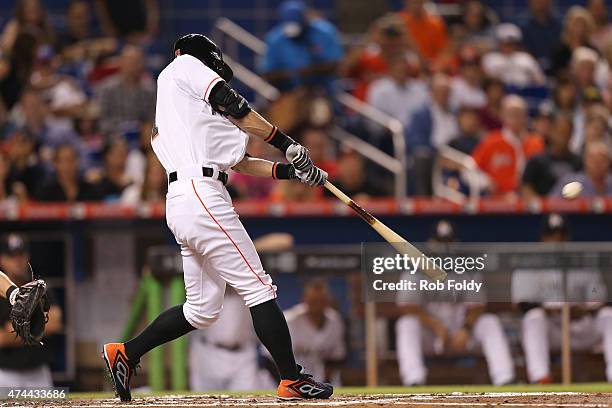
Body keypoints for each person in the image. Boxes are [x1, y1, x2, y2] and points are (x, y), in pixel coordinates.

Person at [102, 34, 332, 402]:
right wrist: (287, 142)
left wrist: (293, 172)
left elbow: (239, 162)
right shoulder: (183, 65)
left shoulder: (184, 115)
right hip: (201, 194)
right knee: (259, 287)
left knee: (202, 309)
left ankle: (126, 354)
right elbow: (234, 105)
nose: (215, 74)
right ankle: (291, 378)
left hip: (185, 199)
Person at [395, 220, 515, 386]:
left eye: (448, 242)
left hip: (463, 333)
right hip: (430, 333)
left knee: (489, 322)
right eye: (440, 242)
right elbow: (407, 306)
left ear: (456, 244)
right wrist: (435, 325)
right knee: (406, 324)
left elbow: (477, 306)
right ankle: (413, 380)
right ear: (430, 244)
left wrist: (466, 328)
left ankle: (505, 379)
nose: (445, 247)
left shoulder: (468, 268)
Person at [512, 214, 612, 383]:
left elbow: (598, 299)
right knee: (534, 318)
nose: (557, 240)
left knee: (609, 315)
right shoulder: (529, 263)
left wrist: (583, 310)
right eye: (552, 235)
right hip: (552, 329)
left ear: (568, 237)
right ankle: (541, 378)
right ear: (543, 237)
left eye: (561, 235)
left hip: (581, 326)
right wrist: (551, 311)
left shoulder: (583, 263)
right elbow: (524, 304)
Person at [0, 234, 62, 387]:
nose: (18, 261)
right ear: (2, 259)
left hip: (38, 372)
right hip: (6, 373)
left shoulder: (38, 285)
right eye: (12, 256)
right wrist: (33, 327)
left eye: (21, 255)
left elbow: (55, 322)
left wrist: (14, 330)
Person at [260, 0, 343, 93]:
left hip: (322, 89)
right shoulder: (275, 39)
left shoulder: (323, 33)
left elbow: (336, 63)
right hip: (288, 92)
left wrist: (311, 70)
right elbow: (267, 73)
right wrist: (291, 74)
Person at [472, 95, 544, 198]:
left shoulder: (537, 143)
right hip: (497, 202)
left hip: (529, 201)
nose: (515, 118)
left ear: (525, 116)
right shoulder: (491, 141)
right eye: (510, 114)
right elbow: (470, 168)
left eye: (518, 114)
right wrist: (485, 182)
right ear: (502, 115)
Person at [189, 289, 260, 391]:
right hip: (209, 352)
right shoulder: (208, 283)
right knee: (205, 401)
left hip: (244, 354)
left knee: (246, 401)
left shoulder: (251, 283)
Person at [284, 279, 346, 386]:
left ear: (327, 301)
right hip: (293, 380)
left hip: (327, 381)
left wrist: (323, 383)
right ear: (304, 299)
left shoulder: (335, 319)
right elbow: (270, 360)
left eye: (321, 301)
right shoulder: (289, 320)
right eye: (313, 301)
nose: (317, 305)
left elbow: (336, 358)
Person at [96, 45, 156, 136]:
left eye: (137, 62)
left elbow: (153, 118)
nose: (133, 66)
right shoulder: (106, 88)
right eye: (129, 61)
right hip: (113, 137)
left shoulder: (150, 90)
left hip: (141, 138)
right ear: (121, 62)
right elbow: (101, 119)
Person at [522, 114, 581, 199]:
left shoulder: (579, 162)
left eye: (567, 133)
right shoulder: (536, 161)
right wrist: (542, 206)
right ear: (551, 132)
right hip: (544, 210)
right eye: (560, 132)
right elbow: (526, 187)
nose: (563, 137)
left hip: (572, 209)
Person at [482, 23, 546, 88]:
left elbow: (540, 79)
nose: (507, 47)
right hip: (500, 92)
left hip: (524, 91)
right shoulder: (490, 58)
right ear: (498, 43)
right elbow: (485, 80)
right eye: (504, 43)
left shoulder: (526, 58)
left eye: (511, 43)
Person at [399, 0, 449, 64]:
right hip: (404, 68)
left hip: (430, 68)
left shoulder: (435, 25)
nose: (415, 5)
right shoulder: (399, 22)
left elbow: (442, 53)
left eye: (418, 2)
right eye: (412, 2)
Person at [520, 0, 562, 73]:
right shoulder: (523, 27)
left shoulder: (559, 27)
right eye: (538, 1)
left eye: (544, 1)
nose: (541, 4)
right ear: (531, 3)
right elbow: (523, 52)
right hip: (530, 71)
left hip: (556, 71)